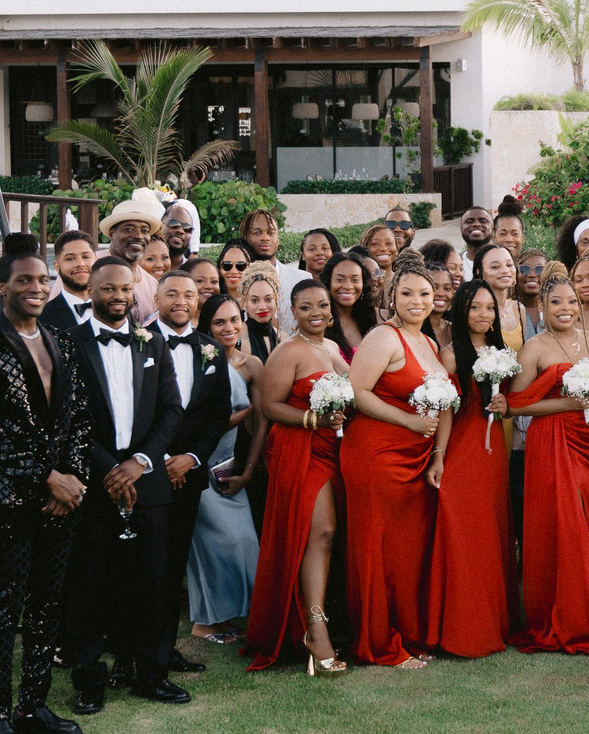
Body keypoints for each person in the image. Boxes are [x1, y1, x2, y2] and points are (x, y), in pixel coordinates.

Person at [0, 245, 94, 734]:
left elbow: (80, 417)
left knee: (47, 603)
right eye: (24, 280)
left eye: (42, 280)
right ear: (1, 286)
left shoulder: (61, 340)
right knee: (4, 602)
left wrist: (72, 479)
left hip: (62, 499)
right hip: (9, 497)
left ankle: (32, 706)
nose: (37, 288)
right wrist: (47, 479)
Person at [66, 257, 189, 711]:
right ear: (91, 292)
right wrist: (109, 469)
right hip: (93, 483)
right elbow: (68, 416)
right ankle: (89, 680)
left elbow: (172, 409)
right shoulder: (68, 343)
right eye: (108, 289)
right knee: (90, 586)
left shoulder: (152, 342)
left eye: (125, 289)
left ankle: (151, 675)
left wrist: (140, 462)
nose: (118, 296)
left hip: (147, 483)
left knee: (152, 584)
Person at [333, 261, 443, 668]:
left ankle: (408, 633)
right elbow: (357, 392)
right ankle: (378, 642)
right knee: (377, 548)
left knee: (405, 551)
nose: (417, 301)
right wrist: (409, 422)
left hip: (415, 458)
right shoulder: (383, 336)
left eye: (425, 294)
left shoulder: (428, 342)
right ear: (391, 296)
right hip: (376, 455)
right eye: (407, 293)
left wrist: (436, 452)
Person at [507, 272, 589, 654]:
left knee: (587, 528)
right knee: (563, 528)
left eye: (571, 301)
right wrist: (567, 404)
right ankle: (563, 620)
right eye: (556, 302)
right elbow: (515, 405)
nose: (565, 308)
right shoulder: (534, 348)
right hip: (551, 441)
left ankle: (581, 608)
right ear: (542, 306)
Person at [247, 281, 348, 675]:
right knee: (320, 533)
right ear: (292, 312)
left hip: (333, 450)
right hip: (300, 451)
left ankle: (319, 618)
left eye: (322, 305)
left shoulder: (332, 347)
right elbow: (270, 406)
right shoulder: (287, 351)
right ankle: (315, 631)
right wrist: (314, 419)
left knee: (326, 536)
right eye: (306, 307)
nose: (316, 313)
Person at [152, 268, 233, 680]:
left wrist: (191, 458)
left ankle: (164, 650)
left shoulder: (210, 350)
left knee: (173, 567)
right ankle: (132, 652)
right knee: (143, 567)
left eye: (188, 294)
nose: (181, 301)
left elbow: (217, 414)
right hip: (147, 473)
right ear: (156, 299)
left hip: (190, 472)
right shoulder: (138, 341)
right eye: (172, 294)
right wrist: (162, 460)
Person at [427, 278, 516, 658]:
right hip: (463, 451)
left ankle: (493, 619)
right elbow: (444, 412)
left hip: (494, 451)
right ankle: (463, 627)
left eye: (490, 307)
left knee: (490, 533)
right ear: (461, 311)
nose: (484, 314)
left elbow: (512, 401)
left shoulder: (503, 352)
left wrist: (507, 406)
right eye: (475, 307)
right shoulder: (449, 356)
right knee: (463, 533)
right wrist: (439, 456)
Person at [184, 293, 260, 647]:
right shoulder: (198, 359)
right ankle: (204, 622)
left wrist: (248, 470)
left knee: (244, 541)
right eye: (219, 322)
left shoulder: (251, 365)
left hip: (229, 465)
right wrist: (239, 415)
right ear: (207, 326)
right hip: (199, 462)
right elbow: (195, 419)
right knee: (212, 545)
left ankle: (228, 616)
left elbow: (262, 421)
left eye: (233, 320)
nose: (228, 328)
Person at [97, 189, 167, 322]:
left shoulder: (152, 284)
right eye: (128, 229)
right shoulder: (89, 267)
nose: (138, 236)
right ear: (111, 234)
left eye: (145, 231)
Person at [43, 229, 99, 332]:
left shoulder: (114, 307)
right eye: (70, 259)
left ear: (96, 261)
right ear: (57, 266)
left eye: (86, 257)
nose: (80, 264)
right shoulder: (43, 316)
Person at [326, 254, 374, 358]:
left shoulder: (374, 318)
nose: (348, 286)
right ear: (328, 283)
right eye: (340, 280)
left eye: (355, 280)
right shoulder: (321, 322)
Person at [238, 262, 283, 362]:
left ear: (277, 298)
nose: (262, 307)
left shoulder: (284, 338)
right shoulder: (236, 339)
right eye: (254, 300)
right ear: (244, 301)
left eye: (268, 299)